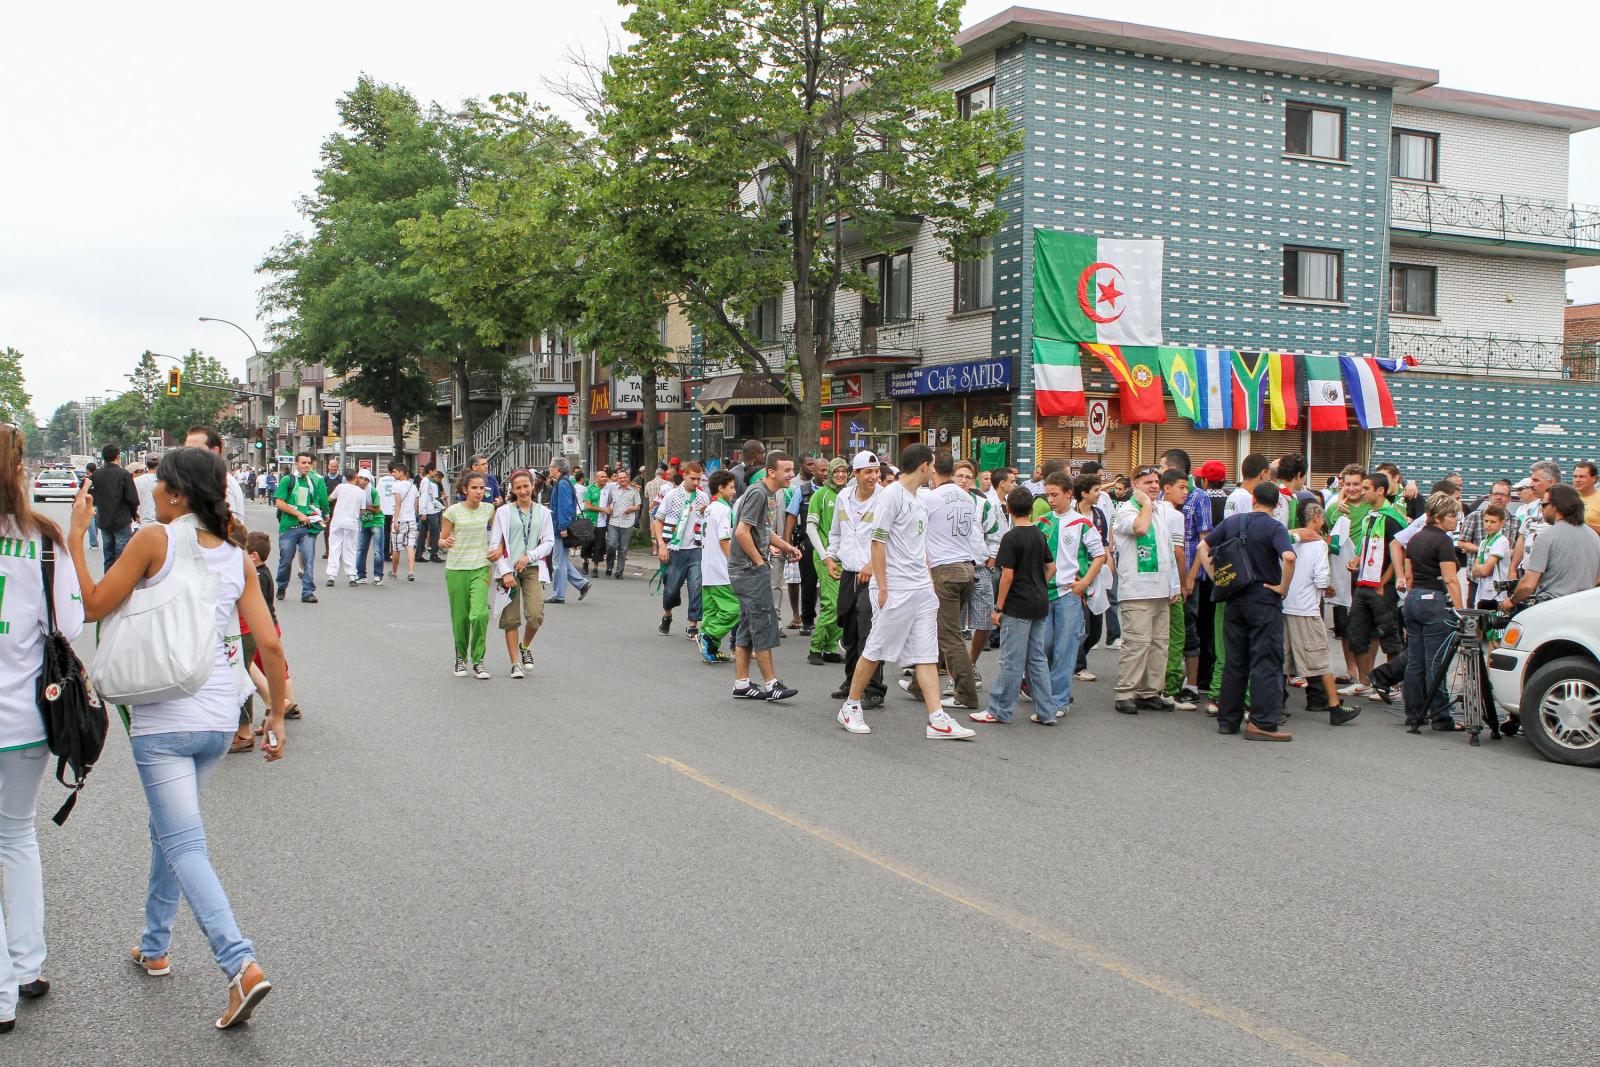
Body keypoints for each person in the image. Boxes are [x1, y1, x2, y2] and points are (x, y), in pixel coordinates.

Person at [68, 447, 285, 1030]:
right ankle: (155, 944)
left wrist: (76, 538)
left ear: (179, 493)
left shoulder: (152, 541)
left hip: (164, 720)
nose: (151, 492)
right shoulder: (238, 557)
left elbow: (91, 608)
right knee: (168, 829)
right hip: (218, 720)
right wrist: (277, 716)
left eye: (159, 484)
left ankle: (240, 965)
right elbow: (269, 643)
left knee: (184, 842)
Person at [0, 423, 84, 1034]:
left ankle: (2, 993)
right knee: (16, 839)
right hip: (28, 717)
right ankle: (26, 967)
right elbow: (72, 626)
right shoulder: (44, 540)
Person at [835, 444, 976, 740]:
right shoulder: (891, 496)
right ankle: (851, 705)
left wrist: (928, 581)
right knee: (875, 650)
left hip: (921, 588)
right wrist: (883, 586)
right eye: (933, 465)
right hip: (895, 588)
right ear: (924, 466)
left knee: (926, 654)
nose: (934, 471)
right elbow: (877, 542)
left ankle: (937, 718)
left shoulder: (919, 499)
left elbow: (919, 545)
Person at [1199, 481, 1296, 740]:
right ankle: (1262, 722)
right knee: (1266, 662)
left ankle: (1228, 719)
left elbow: (1202, 547)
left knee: (1235, 661)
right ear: (1277, 505)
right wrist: (1282, 587)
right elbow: (1289, 557)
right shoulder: (1275, 527)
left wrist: (1219, 579)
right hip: (1264, 600)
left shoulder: (1234, 522)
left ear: (1253, 500)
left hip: (1234, 599)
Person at [969, 487, 1056, 725]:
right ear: (1030, 509)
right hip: (1039, 601)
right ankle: (1047, 711)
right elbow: (1051, 567)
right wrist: (1038, 583)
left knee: (1011, 659)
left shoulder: (1011, 537)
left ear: (1008, 509)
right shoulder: (1038, 534)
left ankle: (999, 709)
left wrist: (998, 608)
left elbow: (1007, 575)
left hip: (1018, 604)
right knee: (1036, 659)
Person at [905, 450, 980, 711]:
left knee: (949, 635)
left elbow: (916, 530)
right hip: (967, 568)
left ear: (934, 470)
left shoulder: (931, 498)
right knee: (938, 629)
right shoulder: (968, 497)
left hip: (944, 571)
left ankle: (966, 693)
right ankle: (918, 684)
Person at [727, 452, 800, 702]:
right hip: (748, 570)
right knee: (763, 624)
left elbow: (764, 532)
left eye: (792, 470)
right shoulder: (758, 493)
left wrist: (787, 546)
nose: (792, 475)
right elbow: (742, 532)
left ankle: (742, 683)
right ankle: (771, 684)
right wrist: (759, 563)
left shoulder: (771, 494)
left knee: (748, 625)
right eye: (787, 470)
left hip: (750, 568)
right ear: (771, 472)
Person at [1111, 465, 1181, 714]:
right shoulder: (1127, 510)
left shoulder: (1160, 511)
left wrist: (1174, 585)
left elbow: (1168, 553)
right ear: (1134, 484)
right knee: (1137, 643)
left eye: (1155, 481)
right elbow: (1139, 528)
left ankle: (1150, 691)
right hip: (1137, 591)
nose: (1153, 486)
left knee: (1159, 644)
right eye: (1147, 482)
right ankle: (1125, 692)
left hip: (1161, 589)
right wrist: (1147, 505)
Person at [1283, 502, 1360, 725]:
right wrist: (1330, 587)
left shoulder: (1289, 540)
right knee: (1321, 659)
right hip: (1306, 608)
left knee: (1282, 659)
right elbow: (1320, 579)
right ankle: (1334, 706)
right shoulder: (1318, 544)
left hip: (1286, 604)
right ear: (1316, 517)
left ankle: (1276, 704)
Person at [1039, 471, 1105, 719]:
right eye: (1048, 495)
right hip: (1045, 593)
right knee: (1043, 646)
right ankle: (1043, 692)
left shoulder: (1082, 523)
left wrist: (1084, 583)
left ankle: (1059, 700)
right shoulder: (1043, 522)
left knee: (1065, 649)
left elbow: (1100, 555)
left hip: (1069, 594)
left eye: (1055, 495)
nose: (1051, 500)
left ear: (1069, 494)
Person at [1400, 493, 1466, 733]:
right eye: (1451, 516)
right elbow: (1450, 579)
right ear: (1438, 518)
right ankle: (1441, 717)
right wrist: (1461, 611)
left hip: (1414, 597)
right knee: (1435, 663)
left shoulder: (1416, 537)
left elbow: (1409, 575)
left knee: (1415, 661)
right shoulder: (1443, 541)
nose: (1455, 520)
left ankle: (1413, 713)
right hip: (1433, 600)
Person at [1338, 472, 1407, 698]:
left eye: (1367, 488)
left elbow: (1398, 551)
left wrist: (1385, 582)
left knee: (1389, 635)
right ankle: (1364, 681)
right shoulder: (1370, 516)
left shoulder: (1392, 518)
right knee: (1356, 633)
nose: (1361, 491)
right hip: (1363, 584)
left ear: (1381, 491)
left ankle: (1392, 685)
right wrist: (1356, 561)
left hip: (1382, 588)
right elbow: (1364, 548)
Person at [825, 452, 886, 707]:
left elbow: (890, 538)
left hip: (873, 575)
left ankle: (873, 689)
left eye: (876, 472)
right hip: (849, 573)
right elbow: (835, 533)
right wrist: (830, 556)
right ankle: (852, 680)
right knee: (849, 629)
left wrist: (872, 565)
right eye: (868, 472)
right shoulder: (843, 497)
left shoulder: (885, 498)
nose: (874, 477)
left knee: (868, 632)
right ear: (856, 474)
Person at [489, 470, 554, 679]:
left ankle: (525, 646)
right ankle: (515, 662)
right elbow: (494, 546)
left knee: (535, 616)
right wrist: (505, 572)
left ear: (532, 485)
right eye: (518, 487)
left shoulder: (543, 512)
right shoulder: (504, 512)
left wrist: (530, 555)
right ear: (513, 490)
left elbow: (549, 542)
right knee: (511, 619)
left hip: (532, 568)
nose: (523, 491)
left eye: (526, 486)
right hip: (508, 570)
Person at [1501, 483, 1600, 610]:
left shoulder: (1546, 537)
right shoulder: (1593, 536)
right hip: (1583, 608)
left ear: (1556, 507)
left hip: (1552, 607)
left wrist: (1511, 601)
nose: (1541, 509)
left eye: (1543, 505)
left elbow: (1528, 585)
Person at [440, 471, 499, 679]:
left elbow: (501, 534)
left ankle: (478, 660)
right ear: (465, 490)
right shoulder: (452, 512)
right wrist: (444, 543)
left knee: (479, 614)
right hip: (456, 568)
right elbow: (441, 539)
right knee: (461, 618)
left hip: (481, 567)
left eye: (482, 488)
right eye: (474, 488)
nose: (479, 492)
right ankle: (459, 658)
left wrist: (498, 549)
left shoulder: (490, 509)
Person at [954, 459, 1000, 680]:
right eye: (959, 476)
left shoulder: (982, 504)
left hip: (979, 569)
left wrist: (991, 561)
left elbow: (995, 535)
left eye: (967, 477)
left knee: (984, 622)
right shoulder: (943, 502)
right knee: (952, 626)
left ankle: (970, 664)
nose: (963, 480)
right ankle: (957, 672)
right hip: (953, 570)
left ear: (973, 481)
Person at [653, 462, 707, 638]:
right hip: (674, 548)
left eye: (699, 479)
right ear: (684, 475)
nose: (696, 482)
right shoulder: (671, 495)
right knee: (671, 588)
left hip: (695, 549)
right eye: (693, 478)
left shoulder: (703, 498)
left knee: (696, 587)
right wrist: (661, 544)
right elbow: (658, 520)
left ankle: (692, 624)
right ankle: (667, 614)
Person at [804, 458, 849, 665]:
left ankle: (831, 647)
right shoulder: (820, 495)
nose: (840, 475)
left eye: (844, 471)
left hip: (846, 558)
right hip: (825, 557)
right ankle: (816, 647)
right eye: (836, 471)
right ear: (829, 473)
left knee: (844, 604)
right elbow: (811, 527)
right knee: (830, 603)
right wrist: (824, 554)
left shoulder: (849, 495)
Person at [1072, 473, 1114, 682]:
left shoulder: (1099, 515)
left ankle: (1076, 658)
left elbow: (1105, 542)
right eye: (1096, 490)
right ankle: (1079, 666)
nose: (1100, 494)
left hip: (1096, 573)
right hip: (1076, 574)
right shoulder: (1070, 513)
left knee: (1096, 629)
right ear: (1084, 493)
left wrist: (1109, 561)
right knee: (1082, 625)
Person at [696, 470, 740, 664]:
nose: (734, 491)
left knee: (712, 610)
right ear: (720, 488)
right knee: (734, 609)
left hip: (708, 566)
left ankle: (709, 648)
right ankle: (709, 636)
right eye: (731, 487)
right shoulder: (723, 509)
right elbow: (724, 538)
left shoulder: (710, 508)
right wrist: (734, 561)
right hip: (721, 568)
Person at [272, 452, 326, 604]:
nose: (307, 465)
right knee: (286, 561)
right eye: (303, 462)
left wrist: (317, 516)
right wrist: (298, 514)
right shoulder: (288, 480)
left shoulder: (312, 483)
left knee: (308, 560)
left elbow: (312, 504)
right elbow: (280, 503)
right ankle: (282, 586)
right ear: (296, 464)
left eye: (309, 462)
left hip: (306, 528)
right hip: (289, 527)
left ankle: (307, 592)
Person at [544, 457, 590, 604]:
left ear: (557, 469)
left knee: (558, 562)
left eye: (551, 466)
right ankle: (582, 584)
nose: (549, 468)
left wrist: (563, 527)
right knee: (562, 560)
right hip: (559, 526)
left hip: (559, 528)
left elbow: (564, 507)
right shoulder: (564, 482)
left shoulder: (562, 484)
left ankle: (559, 595)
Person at [87, 443, 140, 569]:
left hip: (104, 519)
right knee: (121, 555)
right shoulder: (124, 474)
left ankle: (107, 582)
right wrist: (134, 514)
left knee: (108, 555)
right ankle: (120, 583)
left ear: (103, 457)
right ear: (118, 456)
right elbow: (132, 498)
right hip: (121, 519)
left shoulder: (96, 475)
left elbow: (91, 494)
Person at [183, 427, 245, 523]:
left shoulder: (221, 482)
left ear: (215, 451)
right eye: (186, 449)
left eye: (195, 449)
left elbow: (228, 525)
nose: (188, 454)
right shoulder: (199, 479)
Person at [324, 467, 368, 587]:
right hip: (352, 522)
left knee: (334, 547)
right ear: (355, 477)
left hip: (337, 521)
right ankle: (352, 577)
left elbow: (330, 498)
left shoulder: (340, 487)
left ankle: (331, 576)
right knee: (350, 549)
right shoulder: (361, 492)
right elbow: (362, 510)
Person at [603, 468, 641, 578]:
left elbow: (638, 506)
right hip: (614, 521)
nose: (622, 479)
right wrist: (609, 508)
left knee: (623, 548)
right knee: (611, 545)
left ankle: (619, 572)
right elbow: (608, 502)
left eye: (624, 477)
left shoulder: (634, 490)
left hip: (627, 522)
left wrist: (630, 509)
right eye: (620, 478)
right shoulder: (613, 489)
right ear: (617, 479)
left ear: (628, 478)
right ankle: (609, 565)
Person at [353, 468, 387, 585]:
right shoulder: (355, 490)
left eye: (366, 479)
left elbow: (377, 509)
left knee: (378, 551)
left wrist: (363, 507)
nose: (362, 481)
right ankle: (361, 575)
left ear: (369, 481)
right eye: (361, 478)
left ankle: (378, 576)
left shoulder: (372, 491)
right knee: (361, 550)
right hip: (364, 522)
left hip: (376, 521)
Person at [388, 461, 419, 581]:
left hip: (400, 520)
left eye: (395, 472)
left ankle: (394, 572)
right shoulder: (414, 486)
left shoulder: (396, 486)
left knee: (396, 547)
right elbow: (416, 506)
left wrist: (395, 520)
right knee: (410, 546)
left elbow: (397, 505)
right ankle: (411, 572)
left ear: (402, 473)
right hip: (411, 520)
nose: (393, 474)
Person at [580, 468, 608, 577]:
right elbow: (587, 506)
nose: (605, 478)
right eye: (602, 477)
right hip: (589, 522)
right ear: (597, 479)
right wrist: (603, 509)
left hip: (602, 523)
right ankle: (585, 562)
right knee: (586, 544)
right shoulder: (589, 489)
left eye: (606, 476)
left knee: (599, 545)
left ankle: (595, 568)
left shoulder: (609, 488)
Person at [1573, 460, 1600, 536]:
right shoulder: (1568, 498)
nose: (1577, 480)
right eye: (1575, 477)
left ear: (1594, 478)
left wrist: (1581, 525)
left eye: (1582, 477)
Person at [134, 453, 161, 526]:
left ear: (147, 464)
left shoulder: (136, 481)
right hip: (161, 523)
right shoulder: (165, 481)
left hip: (142, 522)